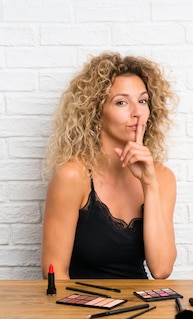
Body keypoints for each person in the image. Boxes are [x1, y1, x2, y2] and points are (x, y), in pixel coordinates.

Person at [41, 52, 177, 280]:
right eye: (122, 102)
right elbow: (54, 273)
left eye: (143, 101)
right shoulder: (73, 175)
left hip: (140, 309)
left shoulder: (161, 177)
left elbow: (161, 270)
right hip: (82, 308)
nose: (137, 112)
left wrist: (149, 185)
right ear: (96, 113)